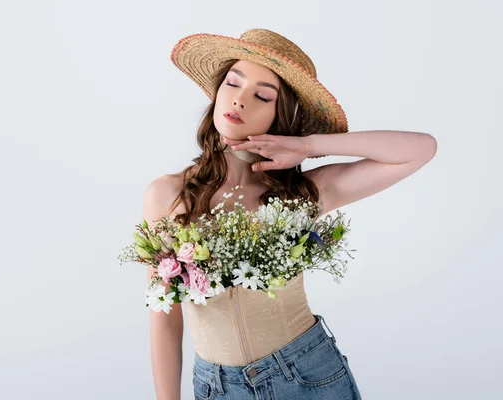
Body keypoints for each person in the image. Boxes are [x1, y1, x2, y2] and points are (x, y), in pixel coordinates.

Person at [142, 28, 437, 400]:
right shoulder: (167, 196)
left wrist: (310, 146)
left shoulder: (302, 195)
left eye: (263, 95)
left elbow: (421, 148)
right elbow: (165, 317)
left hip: (307, 376)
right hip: (216, 387)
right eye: (233, 83)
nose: (240, 100)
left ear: (279, 115)